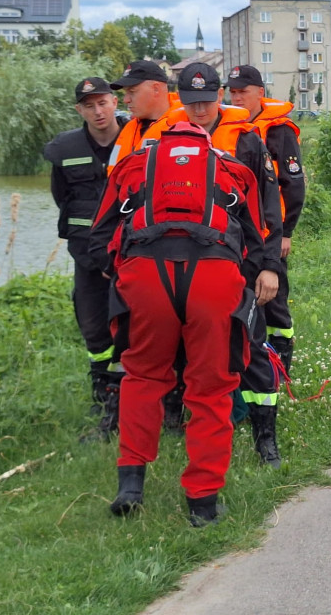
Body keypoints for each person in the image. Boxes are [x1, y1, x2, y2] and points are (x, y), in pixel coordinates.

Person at [90, 114, 270, 527]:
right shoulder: (232, 169)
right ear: (205, 141)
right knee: (211, 388)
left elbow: (99, 237)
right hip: (213, 276)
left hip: (146, 275)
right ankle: (203, 504)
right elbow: (256, 240)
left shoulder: (133, 165)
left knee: (143, 376)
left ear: (163, 140)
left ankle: (131, 484)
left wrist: (117, 272)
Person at [174, 62, 287, 467]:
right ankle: (186, 421)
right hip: (188, 267)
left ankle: (265, 438)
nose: (200, 111)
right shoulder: (170, 145)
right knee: (185, 349)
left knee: (253, 348)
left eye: (206, 102)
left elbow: (268, 211)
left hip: (240, 264)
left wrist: (270, 266)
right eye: (191, 103)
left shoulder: (247, 143)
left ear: (219, 95)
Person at [43, 77, 125, 436]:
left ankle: (137, 400)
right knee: (94, 330)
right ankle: (103, 394)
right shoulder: (66, 148)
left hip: (131, 258)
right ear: (80, 110)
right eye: (89, 105)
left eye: (103, 103)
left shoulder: (137, 139)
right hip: (88, 258)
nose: (98, 111)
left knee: (136, 331)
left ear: (114, 102)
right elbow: (62, 198)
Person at [224, 65, 305, 379]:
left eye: (242, 92)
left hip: (272, 231)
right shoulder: (232, 127)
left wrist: (286, 232)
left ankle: (282, 363)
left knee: (274, 300)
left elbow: (293, 184)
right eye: (232, 92)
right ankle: (249, 360)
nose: (237, 97)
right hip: (240, 230)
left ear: (260, 93)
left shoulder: (278, 130)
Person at [107, 60, 183, 174]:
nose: (126, 100)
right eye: (126, 93)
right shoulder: (129, 129)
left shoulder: (187, 125)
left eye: (132, 92)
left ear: (156, 89)